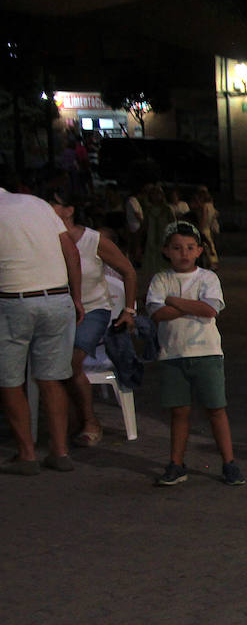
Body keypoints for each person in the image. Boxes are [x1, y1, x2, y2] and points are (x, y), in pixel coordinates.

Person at [145, 221, 245, 486]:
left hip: (207, 353)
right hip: (172, 354)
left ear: (199, 250)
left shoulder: (208, 278)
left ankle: (229, 462)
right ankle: (176, 463)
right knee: (179, 411)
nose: (184, 253)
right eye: (177, 248)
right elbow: (157, 313)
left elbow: (210, 310)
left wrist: (173, 300)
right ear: (166, 251)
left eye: (190, 248)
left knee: (216, 409)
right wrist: (194, 306)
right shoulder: (160, 279)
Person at [45, 187, 138, 446]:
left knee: (71, 361)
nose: (46, 207)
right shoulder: (44, 240)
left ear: (69, 210)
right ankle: (66, 421)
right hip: (58, 310)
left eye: (53, 202)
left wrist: (129, 310)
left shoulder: (91, 240)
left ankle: (89, 420)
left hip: (93, 309)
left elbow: (128, 271)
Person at [0, 185, 83, 474]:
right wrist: (76, 297)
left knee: (10, 380)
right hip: (57, 299)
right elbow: (71, 250)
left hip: (13, 302)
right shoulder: (37, 204)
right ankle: (60, 452)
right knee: (52, 378)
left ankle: (27, 454)